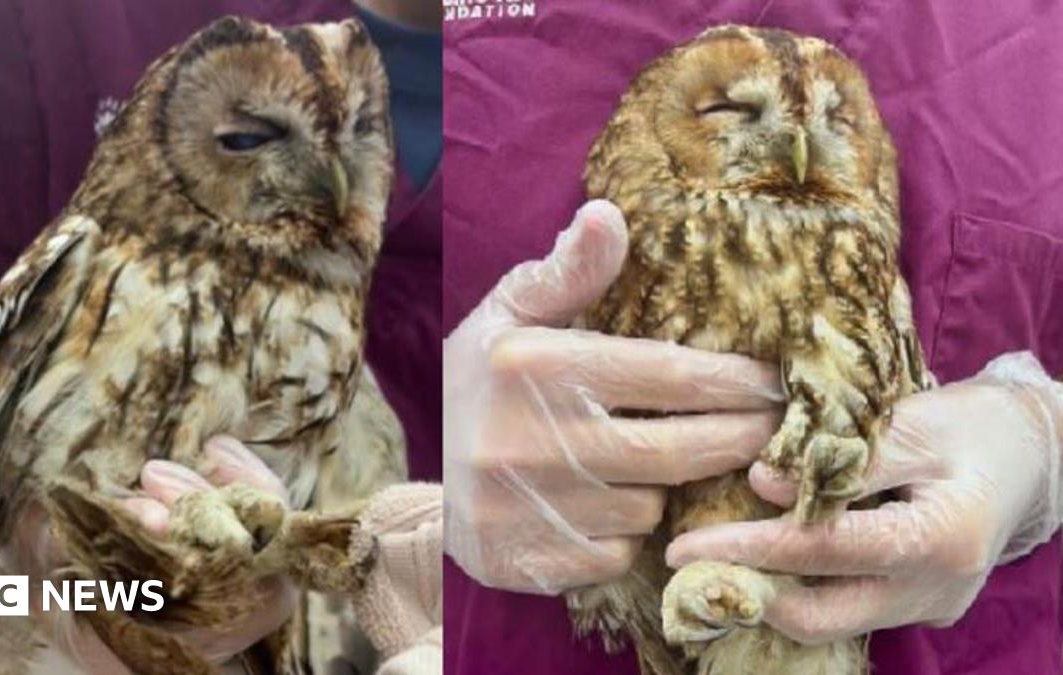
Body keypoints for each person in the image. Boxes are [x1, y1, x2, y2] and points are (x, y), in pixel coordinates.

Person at [442, 3, 1063, 674]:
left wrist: (1042, 443)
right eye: (728, 112)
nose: (797, 149)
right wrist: (434, 465)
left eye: (837, 124)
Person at [0, 0, 442, 670]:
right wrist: (22, 588)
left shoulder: (341, 326)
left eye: (363, 133)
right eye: (246, 140)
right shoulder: (90, 257)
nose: (331, 181)